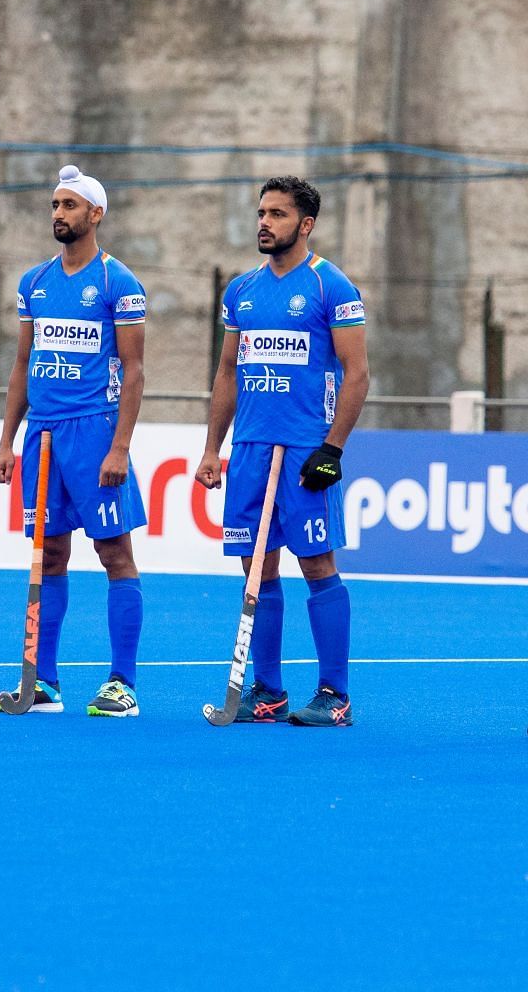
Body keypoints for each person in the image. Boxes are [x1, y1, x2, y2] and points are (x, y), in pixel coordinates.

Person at [195, 175, 369, 726]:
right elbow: (226, 373)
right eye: (261, 213)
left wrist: (332, 448)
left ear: (305, 224)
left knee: (317, 565)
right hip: (249, 450)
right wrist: (210, 449)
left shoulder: (330, 287)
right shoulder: (242, 291)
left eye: (276, 214)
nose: (264, 223)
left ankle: (334, 696)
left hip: (303, 452)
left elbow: (358, 374)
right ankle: (267, 691)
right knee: (256, 570)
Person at [0, 165, 150, 717]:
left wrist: (120, 447)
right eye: (55, 205)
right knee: (47, 555)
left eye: (68, 205)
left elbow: (133, 371)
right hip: (42, 440)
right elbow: (20, 366)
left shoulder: (117, 282)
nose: (58, 214)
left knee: (114, 554)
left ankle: (121, 684)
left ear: (95, 214)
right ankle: (44, 683)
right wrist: (7, 441)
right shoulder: (34, 283)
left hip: (95, 432)